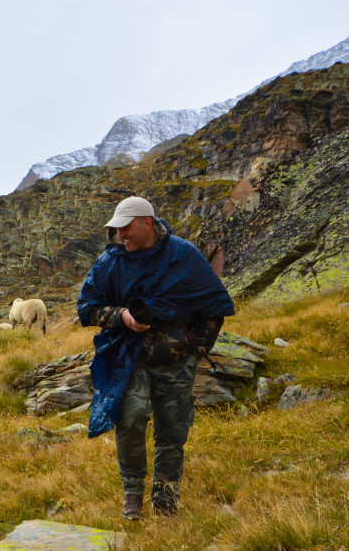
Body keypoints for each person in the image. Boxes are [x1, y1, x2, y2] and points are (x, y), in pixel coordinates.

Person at [77, 196, 234, 520]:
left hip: (177, 359)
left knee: (172, 430)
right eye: (117, 229)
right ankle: (133, 492)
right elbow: (88, 307)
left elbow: (215, 304)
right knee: (131, 416)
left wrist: (196, 348)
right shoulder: (110, 262)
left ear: (146, 223)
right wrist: (121, 316)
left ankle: (166, 500)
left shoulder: (182, 255)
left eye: (126, 227)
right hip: (130, 355)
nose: (121, 235)